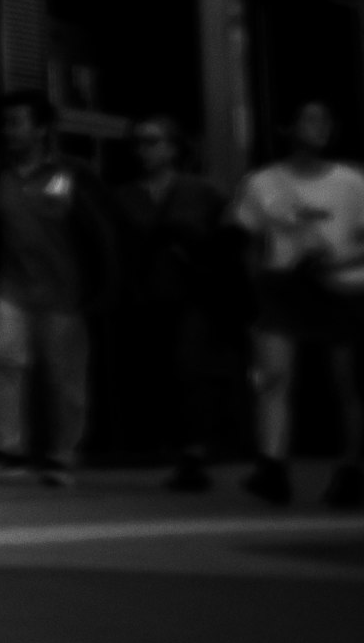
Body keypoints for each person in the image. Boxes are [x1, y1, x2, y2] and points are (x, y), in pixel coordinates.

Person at [0, 90, 116, 483]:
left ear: (41, 129)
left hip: (66, 292)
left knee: (65, 376)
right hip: (13, 288)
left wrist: (101, 287)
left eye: (18, 123)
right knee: (8, 364)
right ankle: (8, 450)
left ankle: (64, 453)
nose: (9, 132)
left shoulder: (70, 174)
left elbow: (102, 235)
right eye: (5, 124)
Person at [233, 99, 364, 508]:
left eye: (326, 119)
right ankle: (272, 467)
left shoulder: (352, 182)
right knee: (273, 376)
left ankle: (352, 470)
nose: (321, 126)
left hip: (341, 286)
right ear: (287, 127)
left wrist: (339, 261)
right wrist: (255, 287)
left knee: (350, 384)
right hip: (284, 285)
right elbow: (248, 240)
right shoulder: (262, 182)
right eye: (310, 118)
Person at [107, 115, 230, 490]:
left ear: (174, 147)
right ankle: (177, 447)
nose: (144, 150)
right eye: (140, 143)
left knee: (188, 368)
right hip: (145, 295)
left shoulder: (202, 192)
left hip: (191, 293)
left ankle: (194, 452)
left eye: (153, 141)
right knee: (158, 372)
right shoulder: (124, 196)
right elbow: (116, 250)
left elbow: (224, 245)